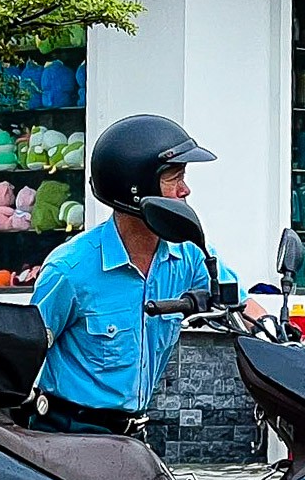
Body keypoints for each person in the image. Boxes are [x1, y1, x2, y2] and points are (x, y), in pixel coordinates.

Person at [28, 114, 233, 437]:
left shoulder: (188, 254)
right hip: (68, 433)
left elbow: (240, 302)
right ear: (135, 187)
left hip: (132, 434)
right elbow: (25, 349)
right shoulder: (70, 270)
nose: (185, 189)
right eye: (173, 178)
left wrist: (284, 340)